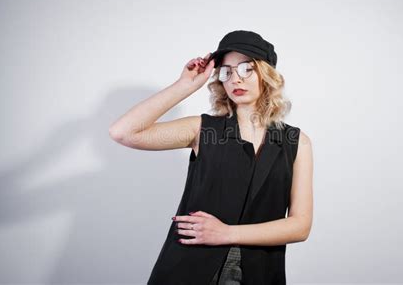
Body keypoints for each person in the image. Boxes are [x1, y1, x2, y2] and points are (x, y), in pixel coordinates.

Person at [109, 30, 314, 285]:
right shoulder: (202, 130)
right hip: (187, 270)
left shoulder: (297, 142)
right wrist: (184, 86)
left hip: (260, 273)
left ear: (267, 74)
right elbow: (123, 132)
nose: (235, 79)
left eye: (246, 69)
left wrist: (226, 233)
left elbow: (300, 226)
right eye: (227, 71)